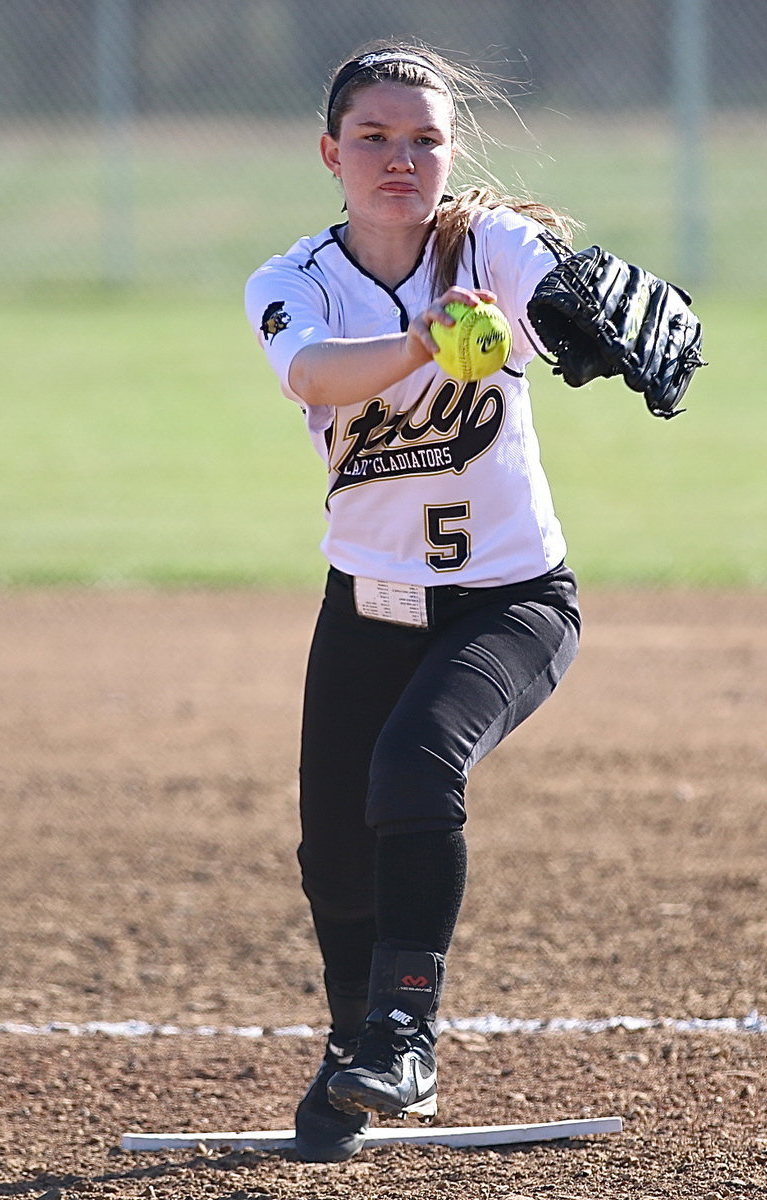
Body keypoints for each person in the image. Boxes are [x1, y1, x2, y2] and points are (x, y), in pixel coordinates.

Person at [244, 41, 639, 1165]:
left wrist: (570, 305)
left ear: (451, 154)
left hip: (510, 602)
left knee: (415, 766)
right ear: (331, 154)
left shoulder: (489, 247)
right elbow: (315, 374)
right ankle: (357, 1047)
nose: (400, 159)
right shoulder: (290, 281)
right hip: (366, 605)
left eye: (424, 140)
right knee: (333, 849)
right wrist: (422, 340)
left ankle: (406, 1036)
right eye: (373, 137)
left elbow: (548, 284)